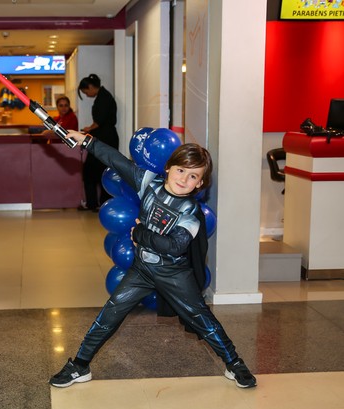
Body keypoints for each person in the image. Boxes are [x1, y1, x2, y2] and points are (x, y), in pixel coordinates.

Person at [49, 131, 257, 390]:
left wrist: (138, 233)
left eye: (193, 176)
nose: (184, 179)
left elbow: (173, 245)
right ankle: (79, 365)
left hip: (174, 274)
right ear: (168, 168)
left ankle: (234, 363)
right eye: (181, 170)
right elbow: (115, 160)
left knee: (202, 319)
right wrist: (87, 140)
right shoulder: (148, 181)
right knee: (109, 314)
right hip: (142, 270)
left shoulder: (191, 213)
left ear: (200, 184)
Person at [77, 74, 119, 212]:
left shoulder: (104, 98)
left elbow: (99, 121)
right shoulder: (103, 96)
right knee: (93, 171)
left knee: (101, 171)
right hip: (103, 138)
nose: (87, 95)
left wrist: (88, 129)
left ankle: (100, 203)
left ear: (90, 87)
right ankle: (94, 203)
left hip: (106, 138)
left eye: (85, 92)